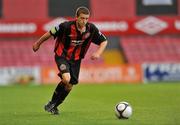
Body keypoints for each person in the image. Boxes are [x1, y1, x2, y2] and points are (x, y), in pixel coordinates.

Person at [32, 6, 108, 115]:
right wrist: (38, 43)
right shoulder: (65, 26)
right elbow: (50, 32)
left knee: (69, 85)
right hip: (62, 56)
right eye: (82, 18)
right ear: (76, 17)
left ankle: (54, 105)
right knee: (67, 78)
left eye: (87, 18)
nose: (84, 21)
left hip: (76, 60)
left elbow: (104, 41)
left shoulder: (91, 29)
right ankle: (52, 103)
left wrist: (98, 53)